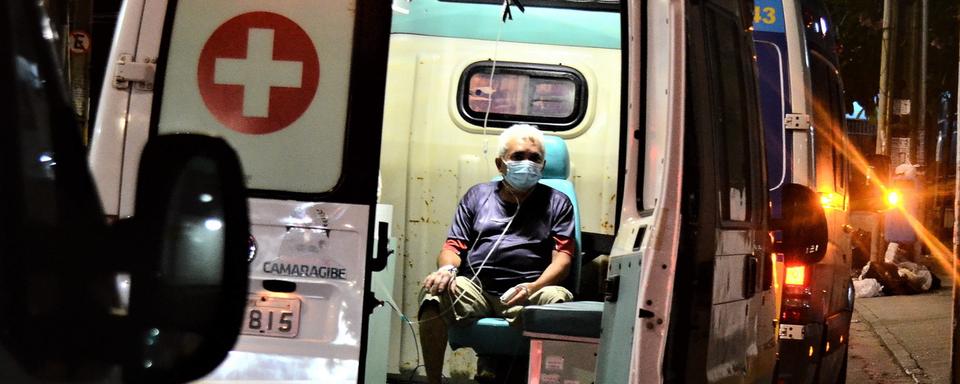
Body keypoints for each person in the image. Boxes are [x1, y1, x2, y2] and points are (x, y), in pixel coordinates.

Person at [417, 124, 576, 384]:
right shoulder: (477, 196)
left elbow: (563, 260)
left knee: (558, 299)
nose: (527, 164)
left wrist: (532, 286)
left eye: (534, 158)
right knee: (434, 292)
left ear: (543, 164)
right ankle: (433, 381)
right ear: (500, 164)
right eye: (518, 157)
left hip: (528, 291)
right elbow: (452, 247)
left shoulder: (557, 202)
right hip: (477, 290)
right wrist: (446, 270)